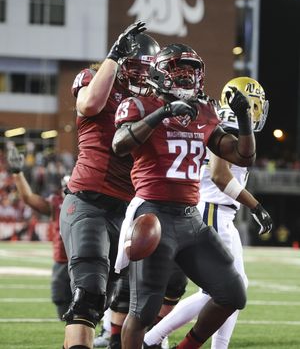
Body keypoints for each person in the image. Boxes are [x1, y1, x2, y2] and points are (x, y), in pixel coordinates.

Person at [112, 43, 257, 349]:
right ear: (161, 74)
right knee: (144, 310)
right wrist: (162, 113)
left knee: (232, 292)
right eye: (179, 70)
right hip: (153, 214)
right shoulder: (140, 104)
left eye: (192, 71)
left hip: (190, 218)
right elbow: (120, 144)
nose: (187, 77)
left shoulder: (203, 110)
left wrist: (243, 119)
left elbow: (242, 156)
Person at [143, 77, 273, 349]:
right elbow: (219, 176)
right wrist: (256, 206)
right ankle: (153, 338)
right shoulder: (226, 125)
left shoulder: (230, 124)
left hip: (219, 211)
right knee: (220, 290)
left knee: (236, 287)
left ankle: (168, 339)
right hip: (212, 209)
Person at [59, 21, 161, 349]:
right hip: (90, 199)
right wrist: (113, 57)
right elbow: (89, 105)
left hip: (130, 210)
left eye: (148, 70)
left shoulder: (153, 102)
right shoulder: (95, 80)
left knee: (126, 300)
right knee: (89, 296)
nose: (143, 76)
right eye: (135, 67)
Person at [6, 145, 72, 320]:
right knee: (60, 302)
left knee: (92, 303)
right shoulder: (56, 202)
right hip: (62, 260)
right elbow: (28, 198)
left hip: (84, 261)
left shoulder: (91, 202)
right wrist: (18, 173)